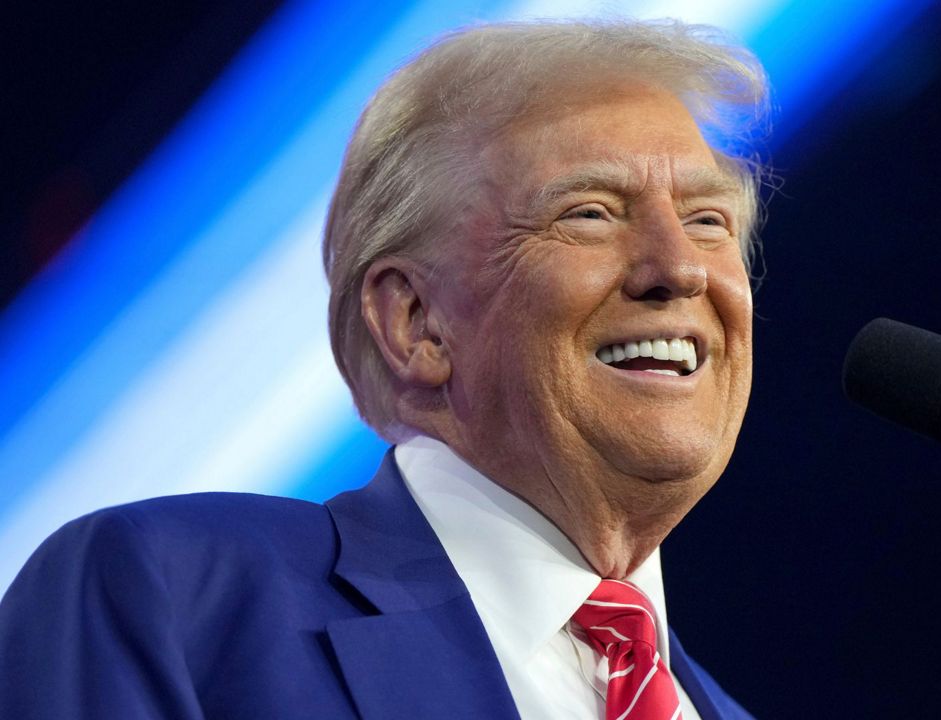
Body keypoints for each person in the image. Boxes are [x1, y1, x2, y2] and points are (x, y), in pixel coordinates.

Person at [0, 19, 767, 719]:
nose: (680, 269)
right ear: (416, 324)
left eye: (709, 222)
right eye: (590, 212)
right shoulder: (173, 600)